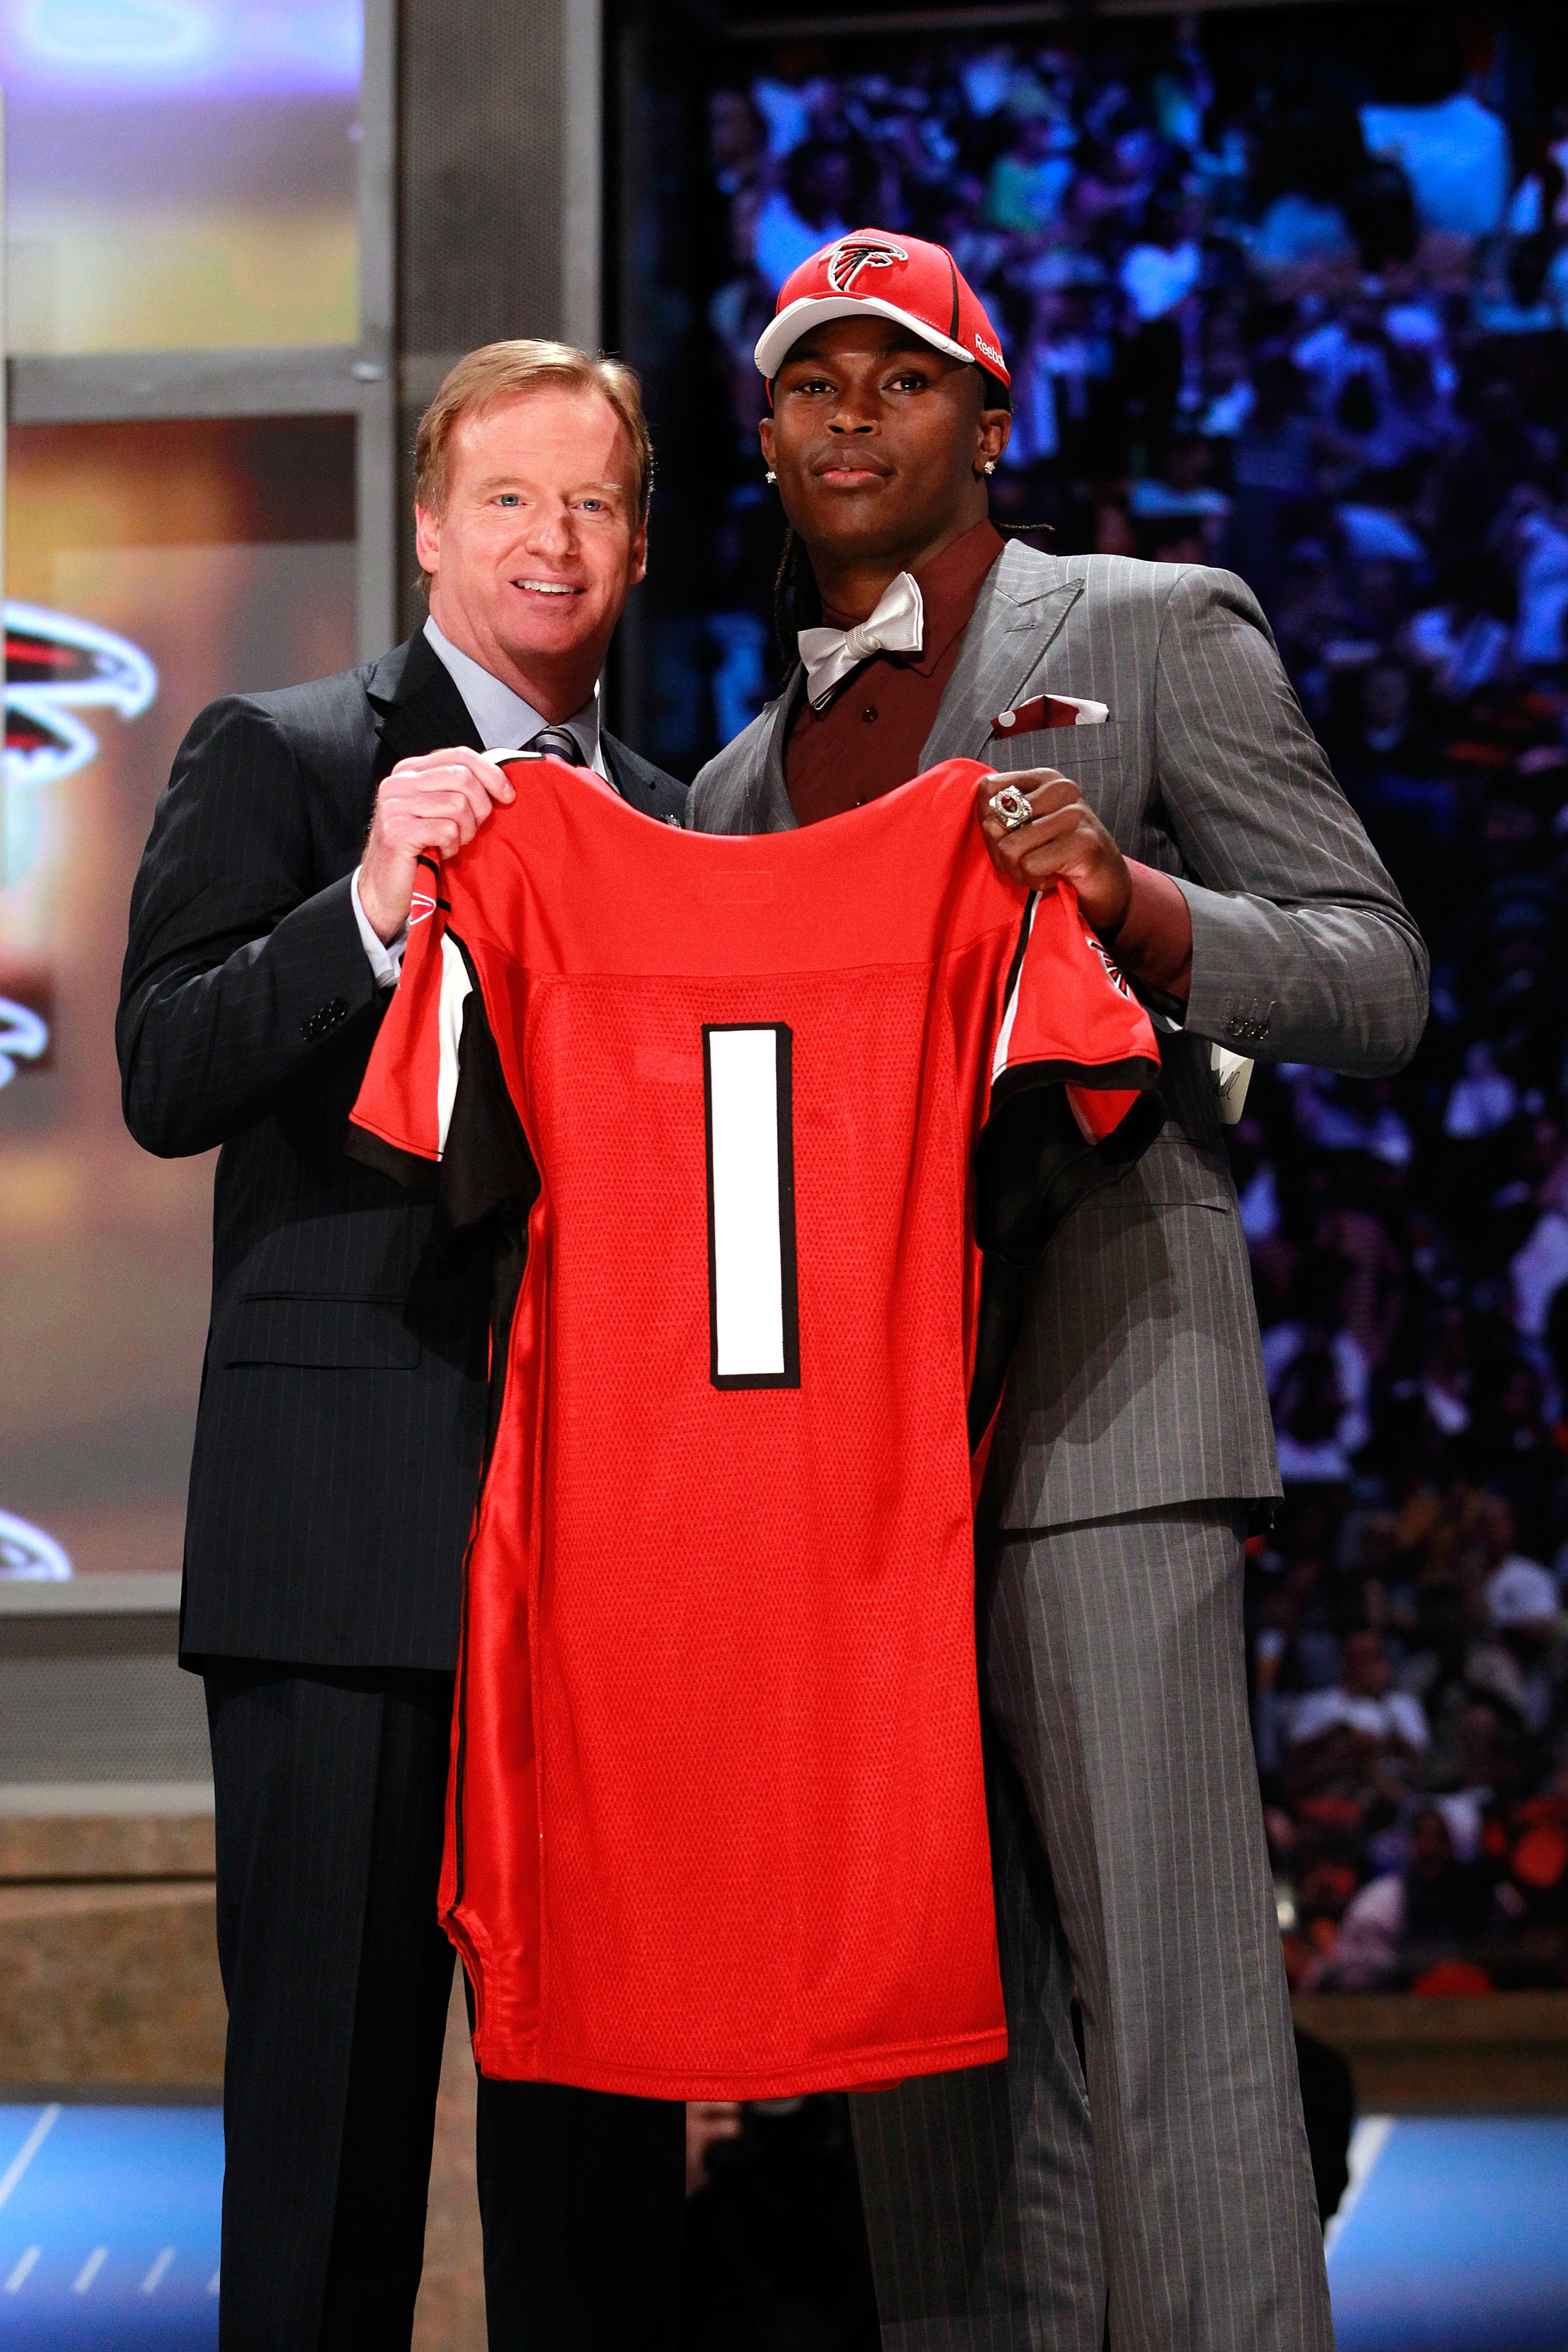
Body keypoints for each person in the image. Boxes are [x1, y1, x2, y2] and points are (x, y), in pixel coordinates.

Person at [689, 230, 1429, 2351]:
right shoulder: (741, 790)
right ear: (766, 437)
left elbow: (1375, 976)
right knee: (929, 2050)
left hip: (1110, 1419)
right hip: (865, 1487)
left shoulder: (1149, 628)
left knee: (1180, 2015)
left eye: (903, 377)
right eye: (814, 380)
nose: (853, 413)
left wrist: (1137, 899)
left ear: (990, 422)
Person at [116, 340, 687, 2352]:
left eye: (594, 504)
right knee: (322, 2150)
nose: (554, 541)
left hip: (603, 1586)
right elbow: (163, 1073)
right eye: (513, 500)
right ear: (432, 529)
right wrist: (364, 908)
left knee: (602, 2177)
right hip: (339, 1557)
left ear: (637, 543)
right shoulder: (278, 753)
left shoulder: (678, 818)